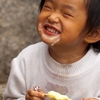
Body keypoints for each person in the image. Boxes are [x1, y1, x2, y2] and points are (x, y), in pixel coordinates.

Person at [3, 0, 100, 100]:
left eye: (66, 14)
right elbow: (11, 97)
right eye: (48, 7)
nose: (52, 17)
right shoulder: (27, 59)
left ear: (92, 34)